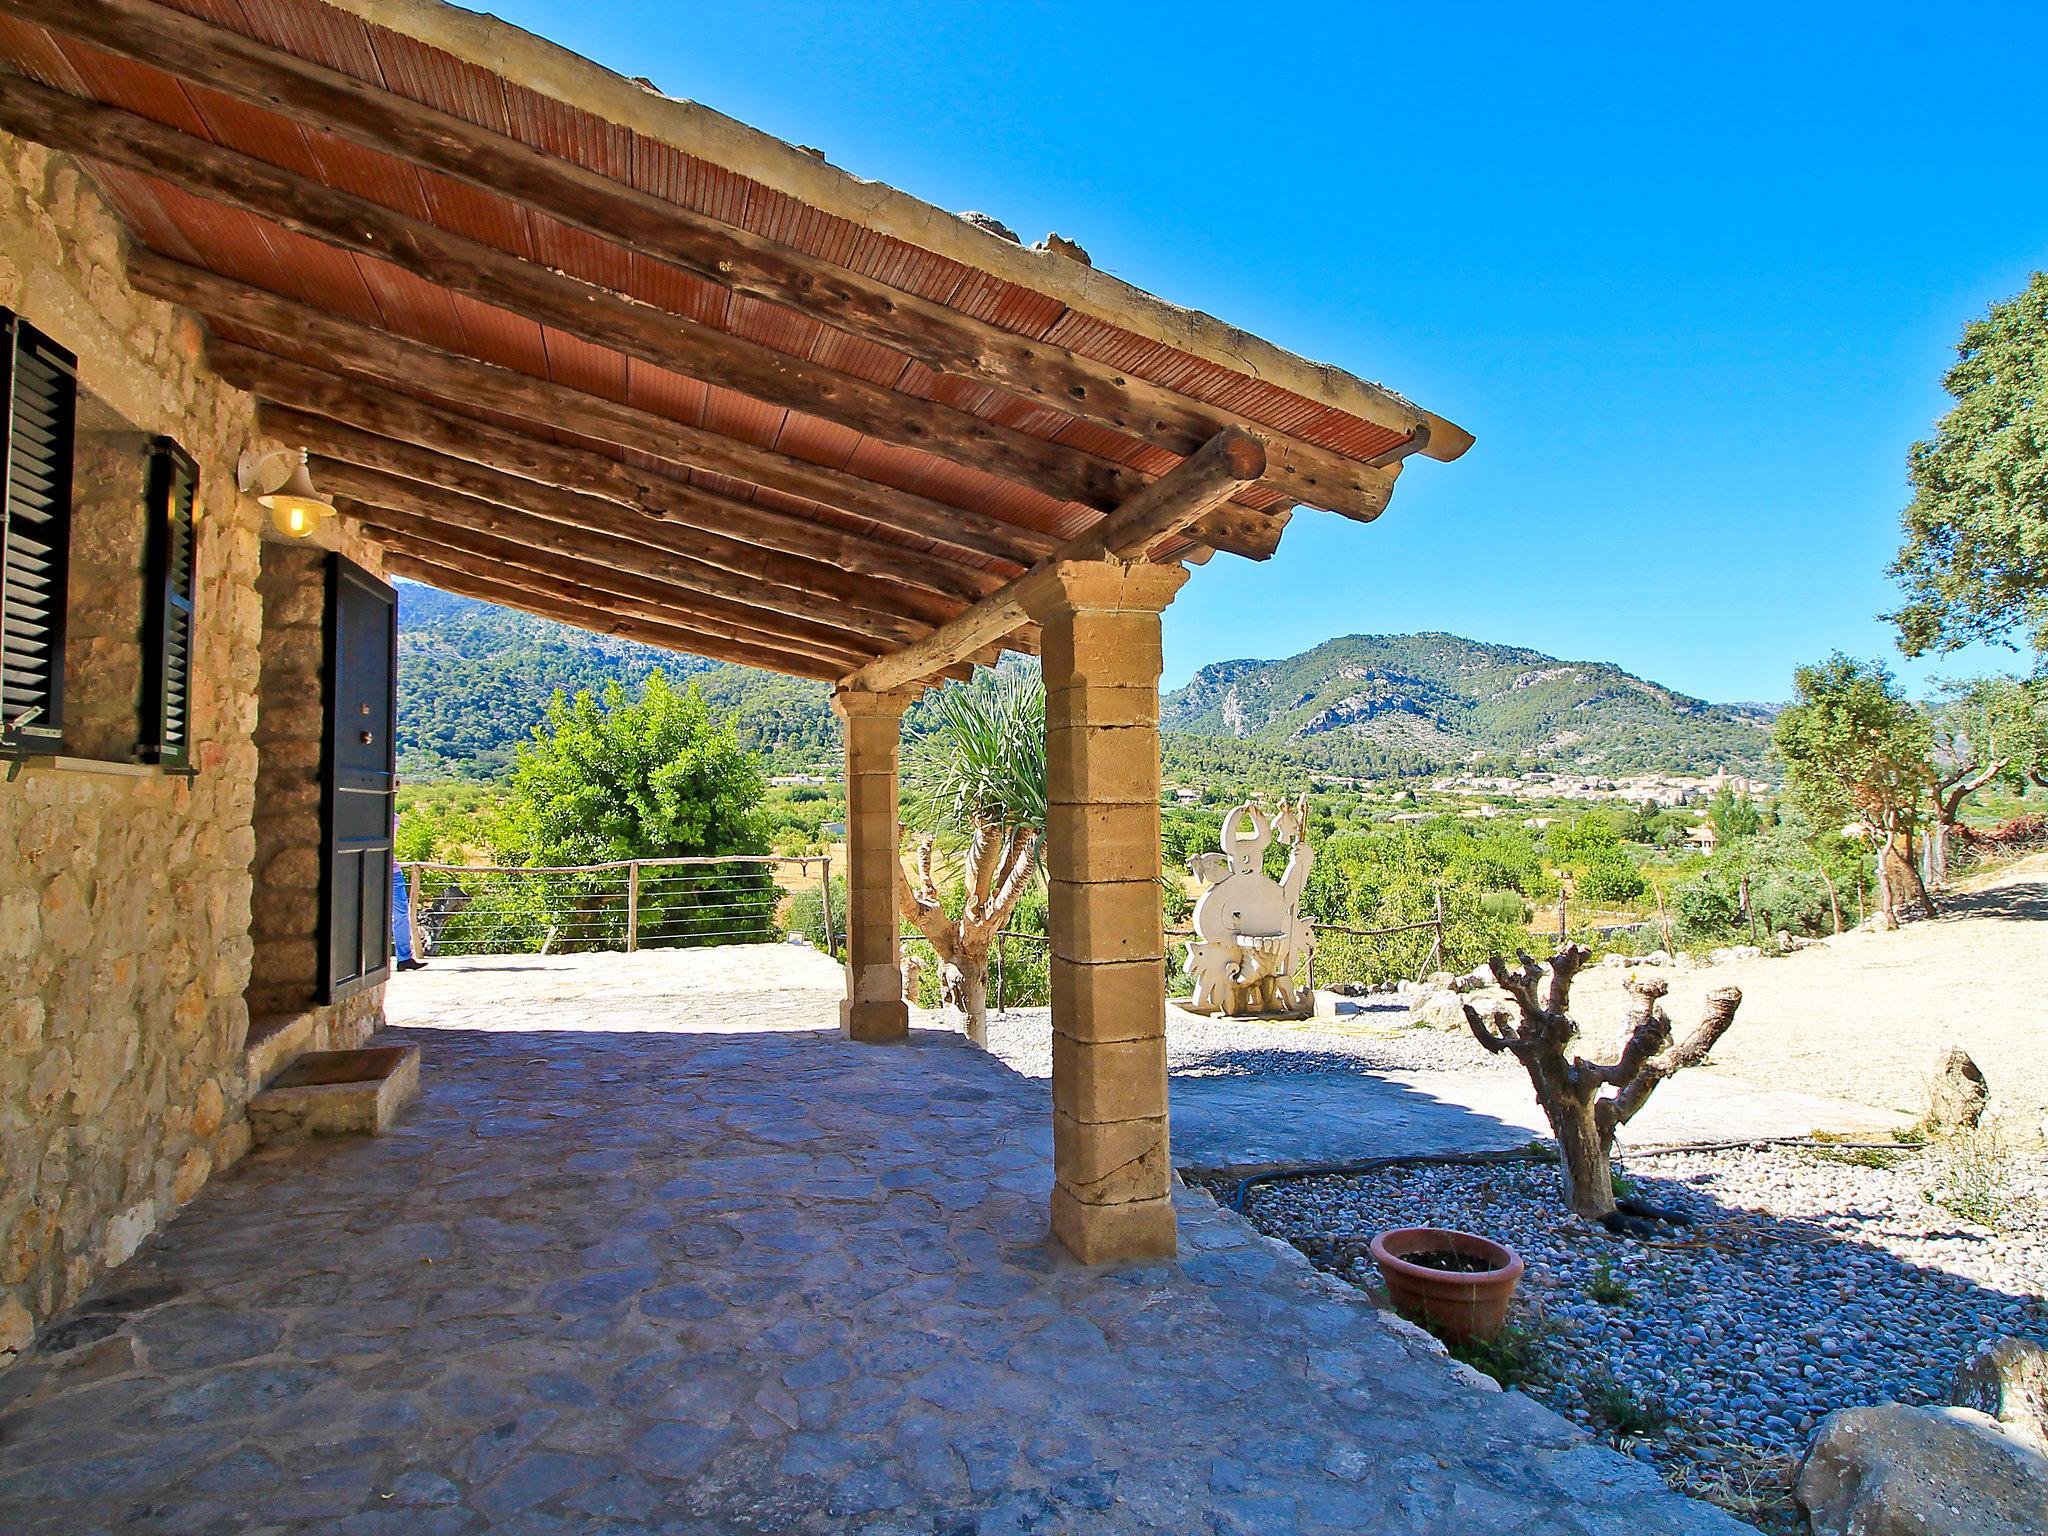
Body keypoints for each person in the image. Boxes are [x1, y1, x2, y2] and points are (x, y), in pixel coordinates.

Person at [392, 813, 424, 972]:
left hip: (392, 871)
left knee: (401, 914)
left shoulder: (392, 818)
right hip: (369, 868)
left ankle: (404, 958)